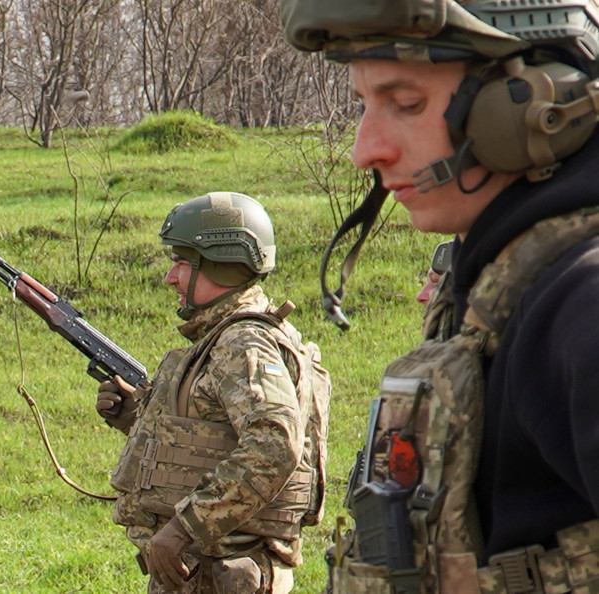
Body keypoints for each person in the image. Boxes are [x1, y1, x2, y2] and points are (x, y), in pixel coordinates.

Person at [280, 0, 599, 592]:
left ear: (542, 105)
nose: (365, 150)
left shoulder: (581, 300)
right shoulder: (497, 284)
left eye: (407, 103)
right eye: (364, 104)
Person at [97, 191, 330, 593]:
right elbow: (214, 440)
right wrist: (135, 419)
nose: (170, 278)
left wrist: (183, 528)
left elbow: (275, 445)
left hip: (220, 574)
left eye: (181, 263)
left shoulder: (243, 343)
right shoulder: (228, 337)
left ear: (219, 264)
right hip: (209, 570)